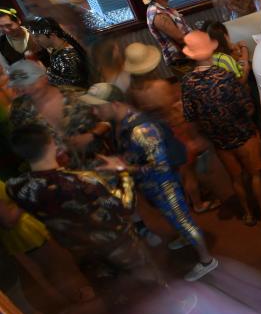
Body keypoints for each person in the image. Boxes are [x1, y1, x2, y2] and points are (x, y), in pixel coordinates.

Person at [86, 88, 219, 282]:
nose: (94, 113)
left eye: (97, 107)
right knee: (174, 218)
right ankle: (184, 237)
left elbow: (161, 167)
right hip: (152, 185)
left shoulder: (141, 130)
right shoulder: (122, 122)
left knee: (183, 220)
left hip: (164, 184)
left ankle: (207, 261)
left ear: (114, 104)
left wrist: (125, 168)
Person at [6, 124, 155, 284]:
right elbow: (127, 206)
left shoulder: (15, 187)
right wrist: (122, 171)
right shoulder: (82, 180)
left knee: (116, 295)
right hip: (119, 245)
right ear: (51, 145)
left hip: (81, 253)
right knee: (149, 283)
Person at [181, 32, 261, 230]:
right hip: (243, 134)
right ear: (211, 50)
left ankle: (248, 214)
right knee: (256, 175)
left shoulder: (187, 82)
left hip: (219, 140)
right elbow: (247, 106)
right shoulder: (225, 76)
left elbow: (190, 116)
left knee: (235, 178)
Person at [124, 42, 216, 216]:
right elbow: (174, 111)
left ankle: (186, 199)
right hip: (174, 132)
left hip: (153, 134)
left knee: (174, 172)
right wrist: (193, 135)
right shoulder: (160, 86)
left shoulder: (131, 92)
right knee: (189, 172)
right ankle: (198, 203)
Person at [142, 0, 193, 76]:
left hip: (186, 53)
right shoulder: (158, 14)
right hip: (181, 58)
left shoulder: (163, 8)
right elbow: (180, 38)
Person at [25, 17, 89, 90]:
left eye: (37, 36)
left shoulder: (67, 55)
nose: (35, 41)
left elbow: (74, 85)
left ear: (52, 35)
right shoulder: (59, 50)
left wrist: (45, 72)